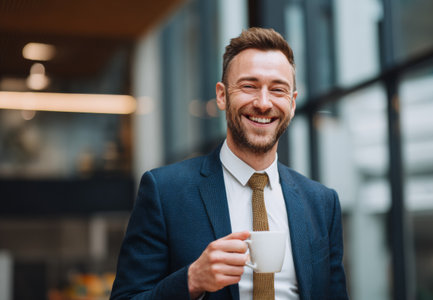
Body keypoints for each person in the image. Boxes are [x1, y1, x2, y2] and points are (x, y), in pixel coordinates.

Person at [111, 27, 348, 300]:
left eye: (278, 89)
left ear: (292, 103)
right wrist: (191, 280)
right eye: (249, 86)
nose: (263, 102)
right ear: (222, 95)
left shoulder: (322, 203)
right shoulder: (165, 192)